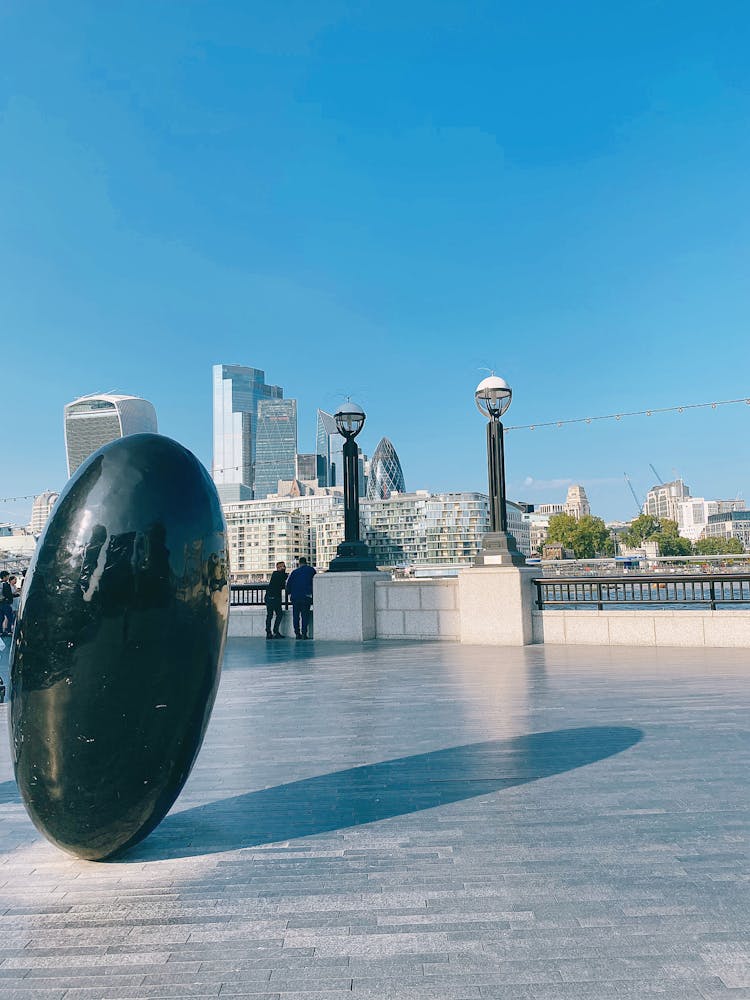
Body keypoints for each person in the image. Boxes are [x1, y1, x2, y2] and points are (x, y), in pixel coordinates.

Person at [286, 557, 316, 639]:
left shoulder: (294, 572)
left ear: (299, 563)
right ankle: (304, 634)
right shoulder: (311, 570)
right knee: (304, 616)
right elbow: (315, 582)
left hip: (295, 597)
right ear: (306, 562)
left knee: (296, 616)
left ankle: (297, 633)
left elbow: (288, 585)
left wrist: (290, 593)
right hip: (306, 596)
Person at [264, 561, 287, 639]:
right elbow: (283, 583)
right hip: (274, 598)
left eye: (284, 566)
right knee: (278, 614)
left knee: (270, 615)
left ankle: (269, 632)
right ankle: (274, 631)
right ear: (278, 568)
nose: (284, 568)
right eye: (283, 566)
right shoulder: (279, 574)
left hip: (269, 597)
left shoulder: (275, 574)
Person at [0, 571, 14, 637]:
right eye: (8, 576)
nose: (8, 577)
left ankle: (1, 632)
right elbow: (8, 594)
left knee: (1, 618)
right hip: (5, 603)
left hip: (0, 604)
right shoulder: (5, 584)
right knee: (10, 617)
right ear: (5, 576)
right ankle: (9, 631)